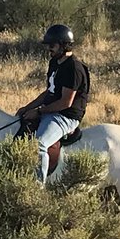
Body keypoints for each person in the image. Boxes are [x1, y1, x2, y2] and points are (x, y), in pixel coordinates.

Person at [15, 24, 89, 184]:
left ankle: (37, 186)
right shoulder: (55, 63)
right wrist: (28, 108)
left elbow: (66, 102)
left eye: (52, 45)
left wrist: (39, 111)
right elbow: (49, 92)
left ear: (64, 45)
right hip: (52, 110)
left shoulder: (73, 68)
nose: (49, 48)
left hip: (66, 116)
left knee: (39, 144)